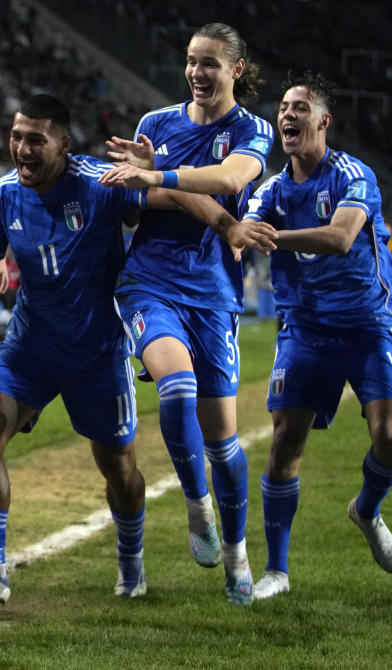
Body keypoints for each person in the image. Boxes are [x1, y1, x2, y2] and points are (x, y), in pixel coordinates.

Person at [0, 94, 263, 606]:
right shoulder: (1, 197)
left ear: (63, 145)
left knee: (118, 467)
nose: (22, 148)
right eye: (16, 137)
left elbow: (173, 197)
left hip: (98, 350)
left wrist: (227, 226)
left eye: (35, 140)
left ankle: (130, 561)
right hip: (32, 344)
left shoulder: (99, 184)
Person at [98, 22, 274, 605]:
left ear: (237, 70)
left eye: (211, 64)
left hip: (215, 291)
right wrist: (148, 183)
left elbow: (230, 179)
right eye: (192, 62)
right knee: (175, 390)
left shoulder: (254, 130)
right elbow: (138, 197)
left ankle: (236, 554)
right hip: (150, 279)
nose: (198, 73)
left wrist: (161, 177)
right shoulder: (156, 126)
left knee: (224, 442)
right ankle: (198, 508)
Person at [234, 73, 392, 598]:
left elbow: (342, 237)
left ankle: (366, 511)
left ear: (323, 121)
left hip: (368, 324)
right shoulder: (272, 189)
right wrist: (241, 234)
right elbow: (244, 228)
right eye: (282, 107)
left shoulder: (353, 173)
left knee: (389, 436)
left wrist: (270, 237)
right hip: (305, 328)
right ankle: (277, 571)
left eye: (300, 107)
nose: (287, 114)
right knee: (284, 444)